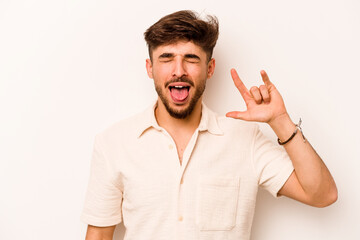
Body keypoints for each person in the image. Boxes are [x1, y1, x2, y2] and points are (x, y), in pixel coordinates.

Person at [81, 10, 337, 240]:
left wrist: (280, 121)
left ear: (210, 67)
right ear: (150, 68)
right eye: (166, 58)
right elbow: (99, 235)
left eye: (191, 59)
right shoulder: (113, 143)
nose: (178, 71)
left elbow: (322, 194)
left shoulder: (245, 138)